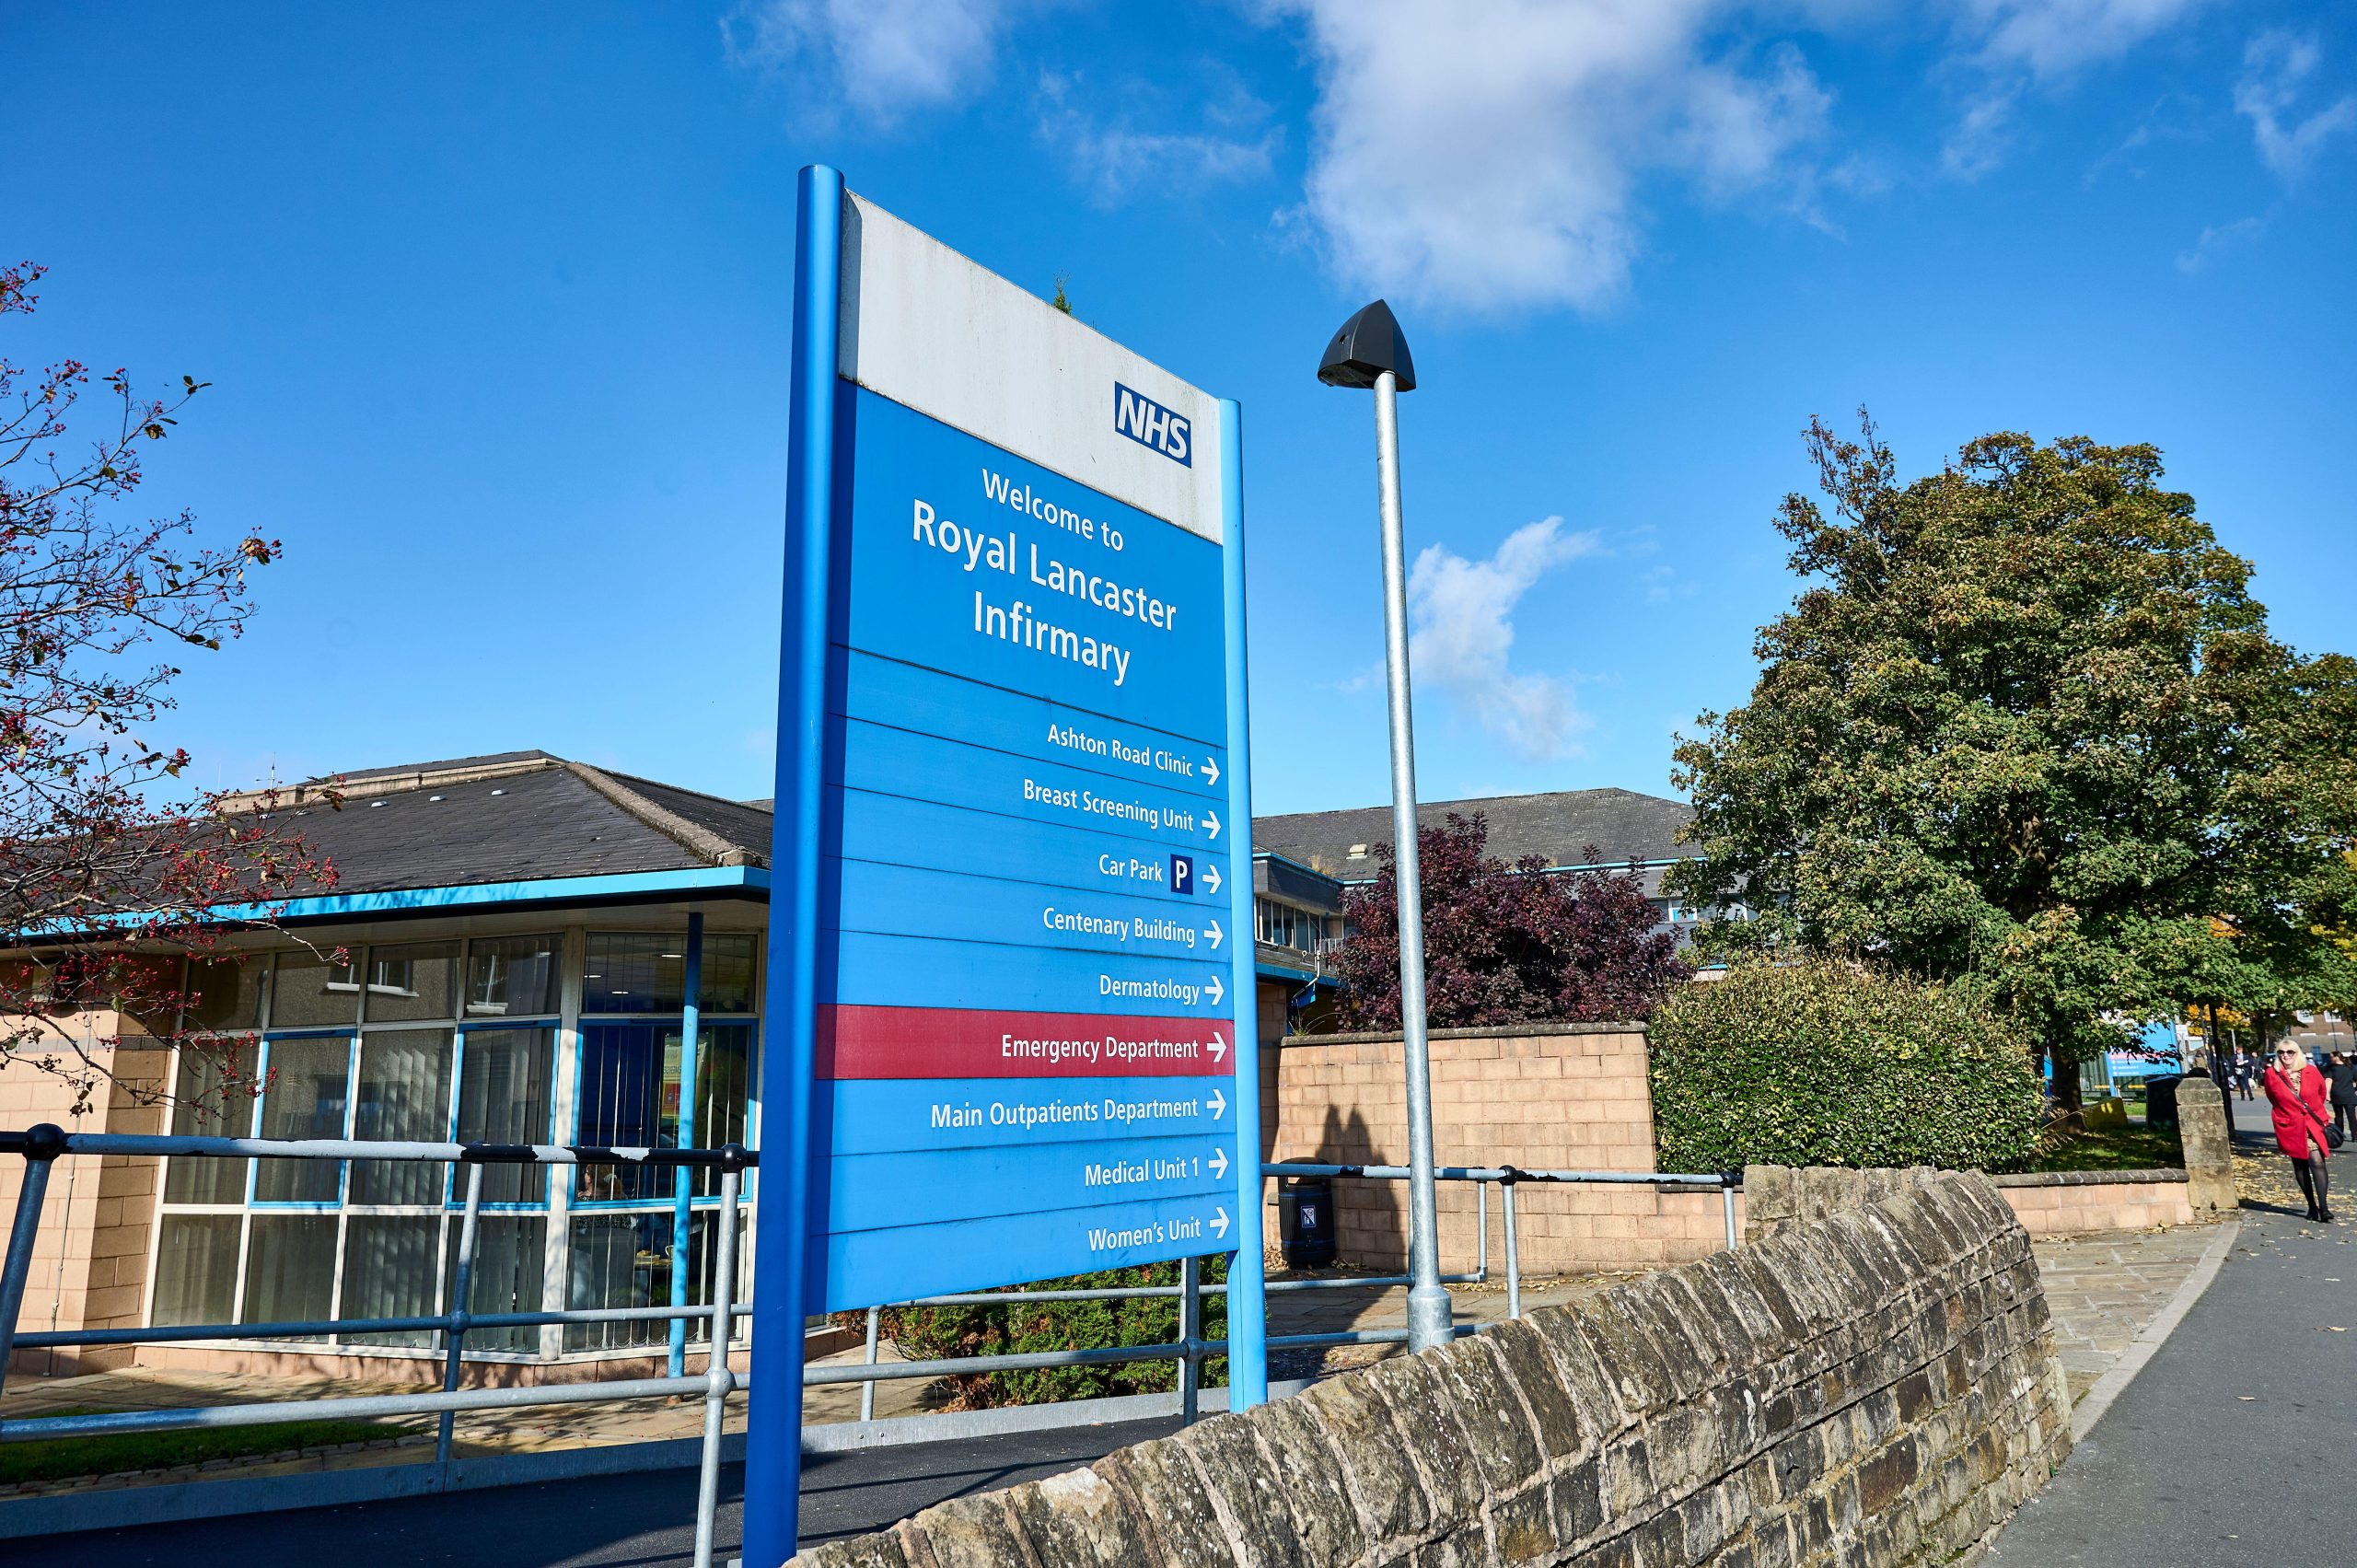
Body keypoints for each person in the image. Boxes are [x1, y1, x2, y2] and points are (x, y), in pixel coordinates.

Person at [2264, 1042, 2337, 1223]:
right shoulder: (2272, 1074)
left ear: (2297, 1053)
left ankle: (2324, 1208)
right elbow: (2272, 1097)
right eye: (2281, 1052)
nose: (2285, 1055)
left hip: (2312, 1124)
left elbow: (2321, 1093)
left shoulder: (2311, 1071)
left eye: (2290, 1052)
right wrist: (2286, 1114)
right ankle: (2311, 1206)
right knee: (2300, 1165)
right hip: (2290, 1125)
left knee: (2317, 1161)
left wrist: (2313, 1112)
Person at [2331, 1051, 2357, 1142]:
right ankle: (2355, 1135)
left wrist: (2327, 1093)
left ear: (2337, 1057)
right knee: (2351, 1117)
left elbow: (2328, 1080)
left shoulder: (2331, 1068)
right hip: (2349, 1095)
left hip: (2336, 1095)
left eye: (2331, 1057)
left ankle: (2340, 1135)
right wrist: (2355, 1089)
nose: (2330, 1059)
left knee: (2338, 1116)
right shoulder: (2350, 1067)